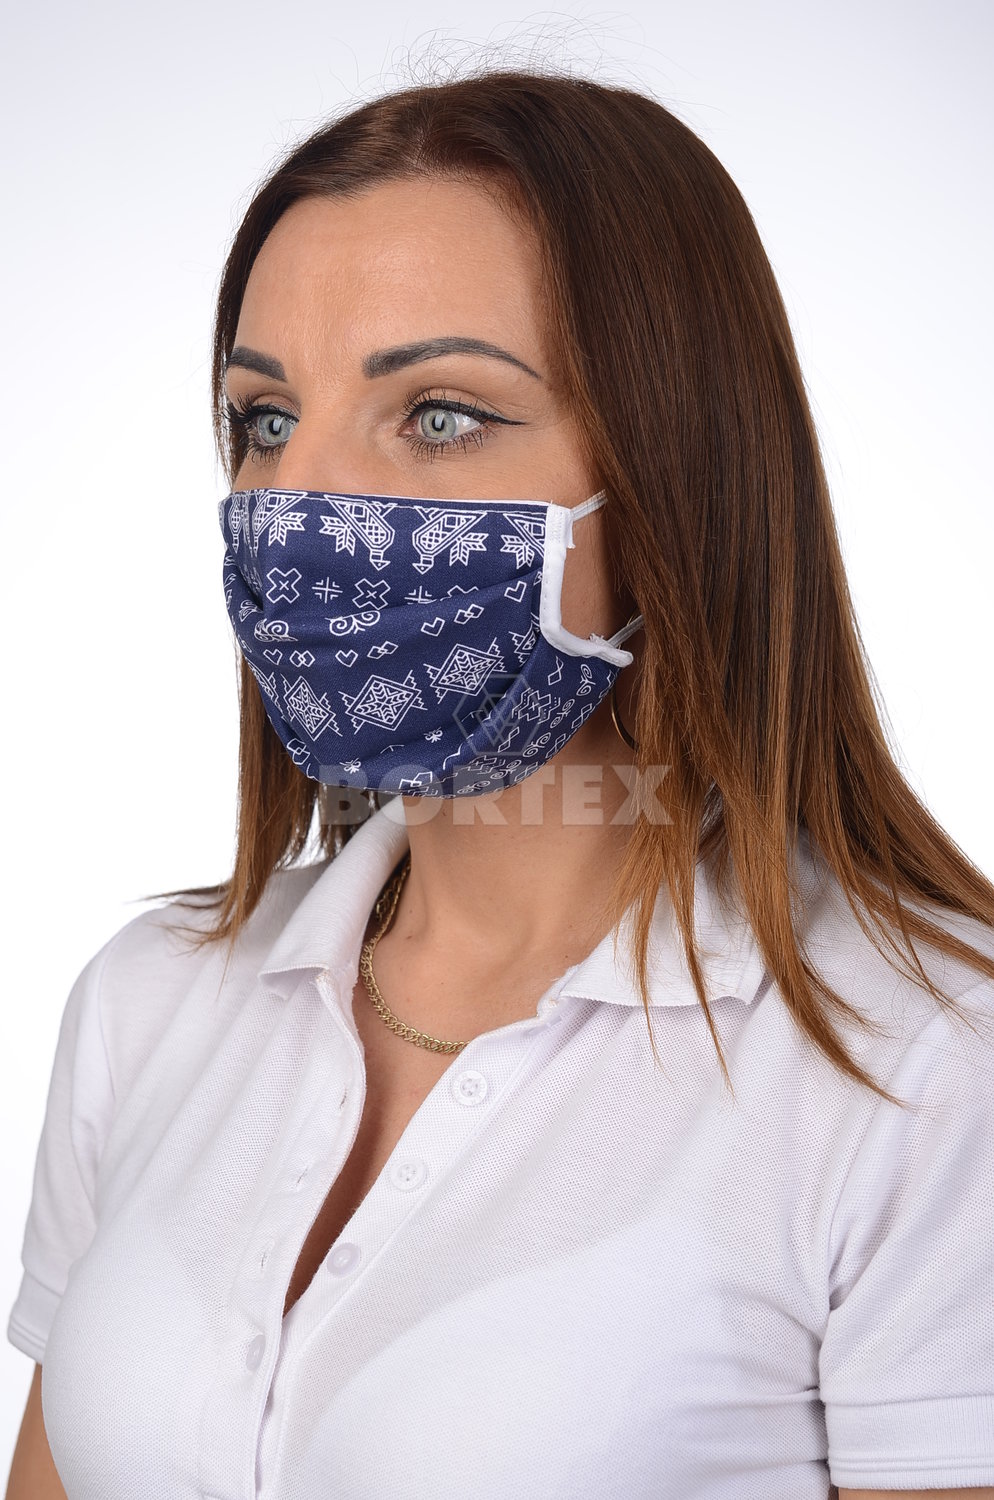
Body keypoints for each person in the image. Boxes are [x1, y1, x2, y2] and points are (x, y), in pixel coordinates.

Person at [6, 68, 994, 1500]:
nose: (305, 503)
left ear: (669, 472)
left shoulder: (921, 1068)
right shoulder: (151, 999)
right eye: (266, 420)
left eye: (439, 414)